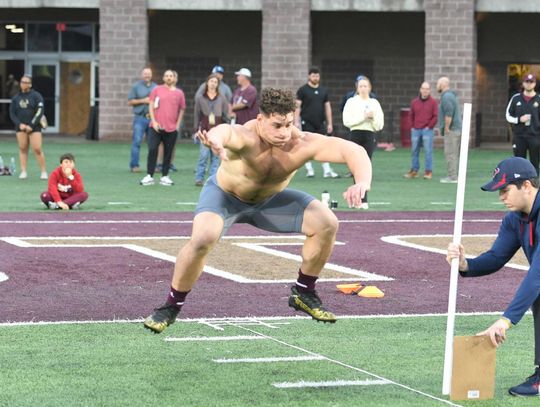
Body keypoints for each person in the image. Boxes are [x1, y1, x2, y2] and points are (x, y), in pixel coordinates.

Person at [143, 88, 372, 334]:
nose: (284, 132)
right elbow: (226, 132)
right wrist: (216, 141)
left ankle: (303, 292)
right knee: (203, 238)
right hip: (225, 198)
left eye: (288, 124)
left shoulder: (300, 142)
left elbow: (354, 151)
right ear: (261, 120)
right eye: (277, 125)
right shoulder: (247, 136)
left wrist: (362, 183)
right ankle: (171, 306)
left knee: (326, 222)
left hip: (268, 202)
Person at [447, 156, 540, 397]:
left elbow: (537, 274)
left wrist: (506, 320)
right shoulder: (514, 220)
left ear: (527, 186)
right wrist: (466, 264)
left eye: (505, 190)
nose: (501, 198)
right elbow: (497, 257)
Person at [342, 76, 384, 209]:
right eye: (361, 86)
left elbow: (379, 125)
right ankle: (357, 199)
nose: (363, 88)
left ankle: (364, 199)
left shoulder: (374, 103)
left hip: (369, 135)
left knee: (366, 167)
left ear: (370, 88)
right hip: (355, 134)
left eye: (366, 86)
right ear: (357, 88)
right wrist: (363, 118)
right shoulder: (351, 102)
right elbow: (347, 121)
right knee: (356, 167)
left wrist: (371, 119)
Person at [140, 70, 186, 187]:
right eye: (166, 76)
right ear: (163, 78)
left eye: (171, 76)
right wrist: (153, 122)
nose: (169, 78)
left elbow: (182, 109)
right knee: (152, 150)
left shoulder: (179, 93)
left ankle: (165, 176)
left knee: (168, 153)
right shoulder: (156, 90)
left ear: (174, 78)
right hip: (155, 127)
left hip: (171, 129)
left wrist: (177, 125)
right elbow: (151, 105)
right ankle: (149, 175)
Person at [295, 66, 339, 178]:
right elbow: (297, 107)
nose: (315, 77)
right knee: (307, 145)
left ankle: (327, 171)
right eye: (313, 75)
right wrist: (296, 122)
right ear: (309, 76)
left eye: (317, 75)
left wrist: (329, 123)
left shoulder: (323, 90)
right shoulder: (302, 90)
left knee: (323, 145)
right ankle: (309, 170)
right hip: (306, 122)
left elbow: (327, 107)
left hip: (320, 122)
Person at [9, 74, 47, 180]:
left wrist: (31, 125)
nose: (22, 84)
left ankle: (43, 171)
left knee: (37, 148)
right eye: (21, 82)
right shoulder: (16, 98)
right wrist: (19, 124)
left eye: (25, 82)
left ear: (30, 84)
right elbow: (12, 113)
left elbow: (40, 111)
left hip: (34, 127)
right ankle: (23, 171)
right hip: (21, 127)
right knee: (23, 148)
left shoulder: (36, 96)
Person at [193, 74, 229, 186]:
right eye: (211, 81)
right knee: (203, 156)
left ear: (218, 84)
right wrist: (195, 130)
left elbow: (225, 114)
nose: (213, 83)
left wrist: (227, 127)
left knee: (216, 157)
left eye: (215, 82)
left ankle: (213, 179)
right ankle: (199, 178)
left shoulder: (221, 97)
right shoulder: (200, 97)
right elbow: (196, 114)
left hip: (217, 131)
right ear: (207, 83)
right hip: (205, 131)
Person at [506, 73, 540, 175]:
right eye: (527, 82)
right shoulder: (516, 98)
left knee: (535, 162)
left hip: (535, 136)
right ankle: (519, 183)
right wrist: (519, 119)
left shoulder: (539, 99)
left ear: (535, 84)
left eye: (531, 82)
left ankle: (535, 185)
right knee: (519, 162)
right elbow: (508, 115)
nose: (529, 84)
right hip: (519, 136)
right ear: (523, 83)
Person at [404, 81, 438, 180]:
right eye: (423, 88)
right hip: (416, 130)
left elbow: (435, 116)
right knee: (414, 150)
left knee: (428, 151)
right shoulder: (414, 102)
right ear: (420, 89)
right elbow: (411, 115)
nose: (425, 91)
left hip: (427, 130)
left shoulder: (433, 102)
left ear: (430, 90)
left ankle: (428, 171)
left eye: (427, 89)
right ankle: (414, 170)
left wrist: (429, 126)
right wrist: (412, 126)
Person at [127, 67, 157, 173]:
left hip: (152, 119)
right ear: (142, 75)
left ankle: (153, 166)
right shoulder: (136, 87)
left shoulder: (156, 87)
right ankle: (134, 165)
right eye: (145, 74)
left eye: (149, 74)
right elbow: (130, 102)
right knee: (137, 142)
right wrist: (143, 100)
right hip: (140, 118)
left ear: (152, 75)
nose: (147, 76)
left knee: (153, 144)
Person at [437, 77, 462, 184]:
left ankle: (453, 176)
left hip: (452, 130)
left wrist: (446, 127)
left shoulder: (446, 97)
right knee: (453, 153)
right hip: (455, 129)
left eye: (438, 83)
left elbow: (449, 113)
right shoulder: (450, 95)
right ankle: (453, 175)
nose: (437, 85)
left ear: (443, 84)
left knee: (450, 153)